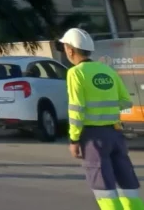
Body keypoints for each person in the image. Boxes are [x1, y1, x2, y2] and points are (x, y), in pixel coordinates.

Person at [61, 28, 143, 210]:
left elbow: (76, 109)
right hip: (115, 134)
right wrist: (107, 108)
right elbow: (125, 101)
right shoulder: (108, 70)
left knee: (103, 186)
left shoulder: (75, 73)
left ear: (70, 49)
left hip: (93, 137)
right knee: (126, 181)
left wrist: (74, 139)